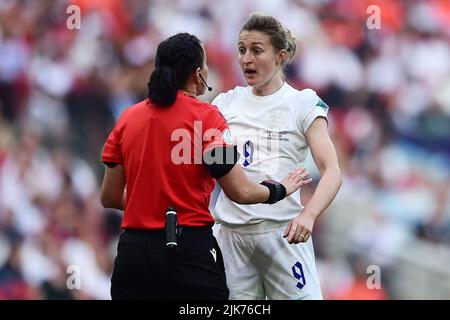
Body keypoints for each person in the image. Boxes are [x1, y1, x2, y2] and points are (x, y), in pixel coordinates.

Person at [100, 32, 311, 300]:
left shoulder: (128, 118)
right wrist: (280, 190)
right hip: (188, 253)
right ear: (198, 74)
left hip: (134, 257)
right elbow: (240, 191)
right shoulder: (207, 119)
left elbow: (109, 197)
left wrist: (149, 202)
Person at [211, 14, 342, 300]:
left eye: (257, 50)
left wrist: (309, 215)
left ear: (280, 56)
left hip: (283, 235)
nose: (247, 58)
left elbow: (332, 171)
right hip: (231, 239)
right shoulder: (225, 103)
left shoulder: (302, 103)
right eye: (242, 49)